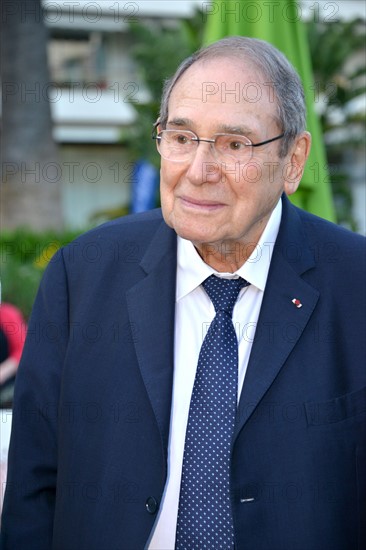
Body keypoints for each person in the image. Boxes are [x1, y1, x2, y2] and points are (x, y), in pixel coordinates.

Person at [1, 37, 365, 550]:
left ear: (293, 160)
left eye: (234, 144)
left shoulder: (356, 285)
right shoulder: (81, 275)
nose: (198, 170)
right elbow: (33, 490)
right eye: (181, 137)